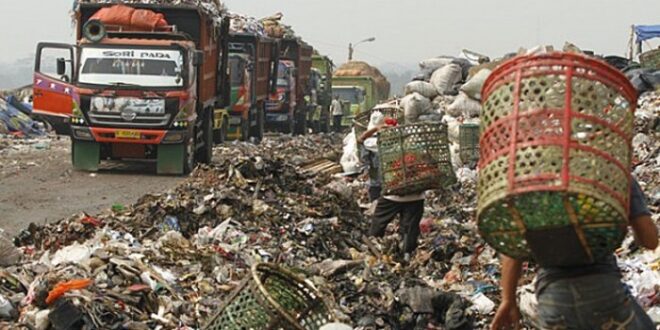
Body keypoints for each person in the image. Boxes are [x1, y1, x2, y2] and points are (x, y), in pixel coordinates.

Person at [490, 179, 658, 330]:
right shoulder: (611, 172)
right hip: (603, 292)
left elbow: (513, 252)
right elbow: (650, 240)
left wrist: (508, 299)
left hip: (553, 299)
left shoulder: (534, 183)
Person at [362, 116, 425, 263]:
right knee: (411, 228)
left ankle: (373, 252)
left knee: (378, 222)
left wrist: (376, 129)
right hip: (416, 194)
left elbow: (361, 140)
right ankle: (407, 255)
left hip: (394, 194)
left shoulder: (383, 144)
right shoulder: (414, 145)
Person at [358, 111, 385, 202]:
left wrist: (365, 170)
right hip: (388, 176)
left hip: (376, 176)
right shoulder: (388, 134)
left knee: (375, 191)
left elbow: (360, 140)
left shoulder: (368, 141)